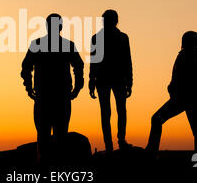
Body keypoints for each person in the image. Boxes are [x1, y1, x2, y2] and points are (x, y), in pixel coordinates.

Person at [21, 13, 84, 163]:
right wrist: (77, 88)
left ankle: (44, 170)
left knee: (43, 137)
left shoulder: (37, 44)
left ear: (47, 26)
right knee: (60, 137)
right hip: (60, 97)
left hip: (44, 96)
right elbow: (79, 67)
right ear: (61, 27)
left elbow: (26, 68)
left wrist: (28, 87)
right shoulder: (68, 45)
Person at [146, 31, 197, 158]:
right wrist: (172, 87)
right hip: (186, 99)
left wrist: (179, 92)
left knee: (157, 119)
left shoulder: (193, 58)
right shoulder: (185, 56)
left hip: (187, 100)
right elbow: (178, 78)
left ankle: (151, 154)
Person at [89, 10, 133, 152]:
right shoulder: (98, 38)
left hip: (114, 79)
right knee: (110, 112)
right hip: (107, 79)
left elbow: (127, 61)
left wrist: (130, 81)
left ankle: (118, 141)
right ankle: (111, 144)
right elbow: (94, 61)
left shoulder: (121, 38)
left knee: (115, 111)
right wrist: (91, 80)